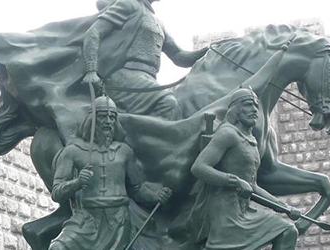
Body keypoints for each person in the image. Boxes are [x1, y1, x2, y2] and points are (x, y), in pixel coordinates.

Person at [49, 96, 172, 250]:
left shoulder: (124, 151)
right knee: (57, 248)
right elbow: (57, 192)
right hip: (86, 220)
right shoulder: (72, 152)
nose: (108, 121)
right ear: (91, 120)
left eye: (112, 117)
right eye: (102, 116)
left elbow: (137, 188)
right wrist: (77, 183)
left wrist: (155, 195)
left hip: (118, 221)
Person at [188, 88, 302, 250]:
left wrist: (284, 207)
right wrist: (235, 181)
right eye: (249, 105)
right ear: (236, 109)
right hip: (226, 213)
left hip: (245, 211)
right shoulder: (227, 134)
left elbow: (252, 186)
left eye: (256, 106)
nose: (254, 110)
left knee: (288, 230)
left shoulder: (250, 140)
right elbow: (199, 167)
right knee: (287, 230)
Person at [83, 0, 208, 120]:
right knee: (168, 103)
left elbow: (179, 56)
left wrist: (209, 50)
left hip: (147, 79)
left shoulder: (158, 22)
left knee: (182, 103)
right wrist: (91, 70)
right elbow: (94, 32)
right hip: (124, 76)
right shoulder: (129, 4)